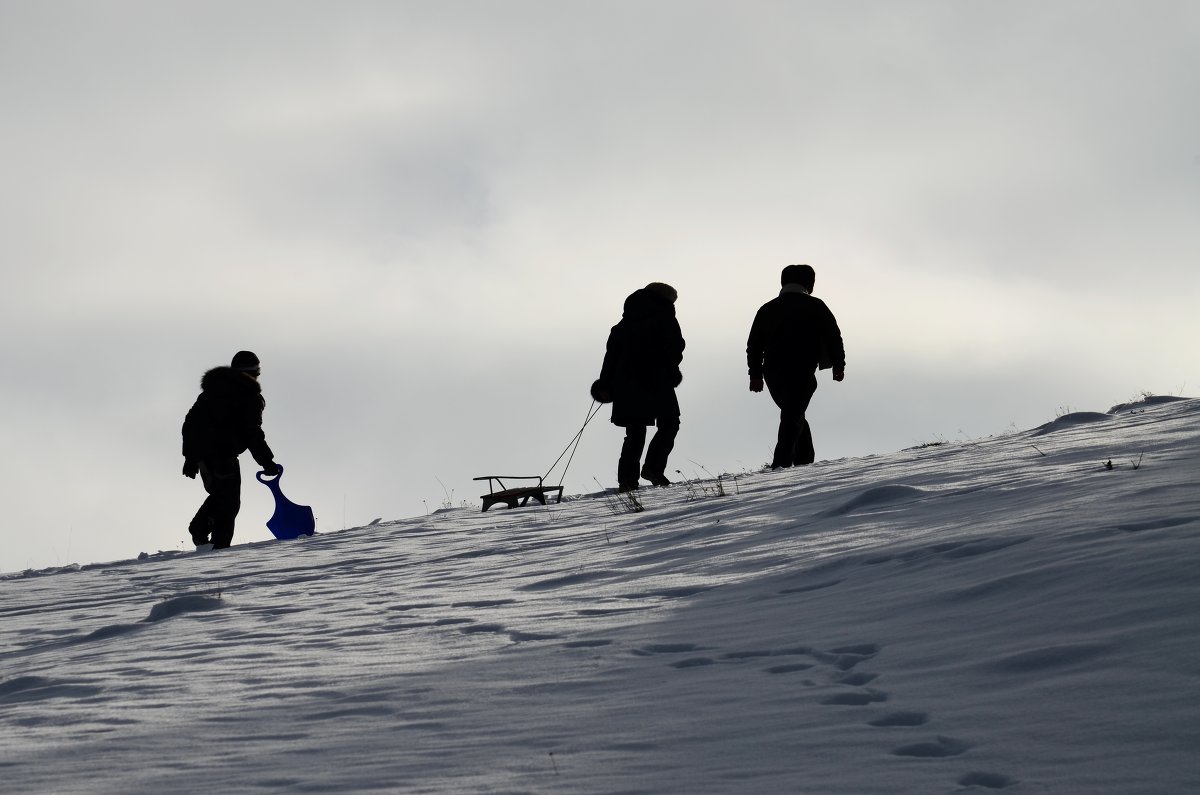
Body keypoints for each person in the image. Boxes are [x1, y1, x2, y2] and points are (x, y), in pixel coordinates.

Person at [747, 264, 845, 469]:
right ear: (810, 283)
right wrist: (838, 365)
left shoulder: (767, 308)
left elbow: (753, 346)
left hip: (772, 373)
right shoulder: (816, 305)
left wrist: (755, 375)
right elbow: (834, 337)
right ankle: (780, 464)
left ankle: (804, 461)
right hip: (802, 370)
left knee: (793, 414)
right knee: (793, 415)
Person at [591, 283, 685, 491]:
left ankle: (627, 482)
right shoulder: (666, 319)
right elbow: (676, 349)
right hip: (657, 380)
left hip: (627, 385)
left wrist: (605, 384)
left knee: (635, 433)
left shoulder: (622, 326)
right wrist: (670, 370)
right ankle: (653, 467)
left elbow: (610, 359)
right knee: (669, 424)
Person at [182, 351, 279, 549]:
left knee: (222, 496)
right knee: (229, 502)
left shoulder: (211, 392)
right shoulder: (248, 396)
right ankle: (215, 544)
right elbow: (252, 432)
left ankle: (205, 533)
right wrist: (266, 462)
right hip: (223, 456)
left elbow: (191, 424)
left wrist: (191, 458)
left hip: (205, 457)